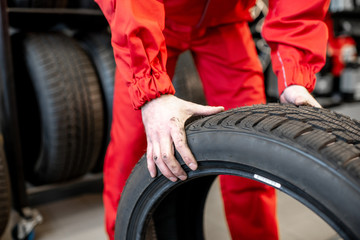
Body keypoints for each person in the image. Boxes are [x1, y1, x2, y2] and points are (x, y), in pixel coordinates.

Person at [94, 0, 330, 239]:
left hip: (224, 19)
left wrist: (295, 75)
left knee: (250, 147)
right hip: (149, 15)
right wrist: (148, 89)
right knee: (129, 149)